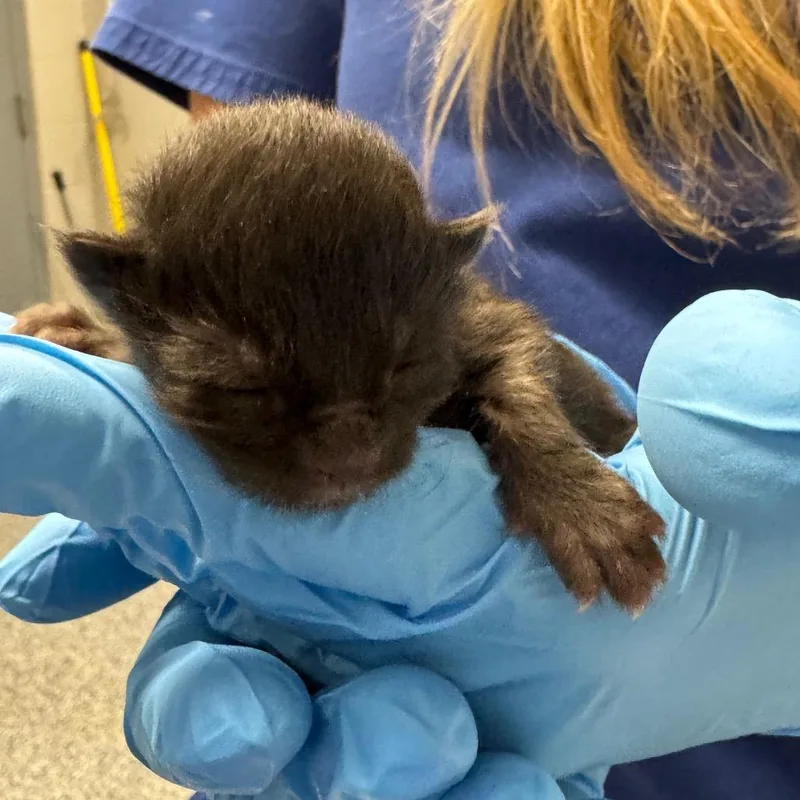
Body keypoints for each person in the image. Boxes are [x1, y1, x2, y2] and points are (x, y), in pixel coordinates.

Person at [4, 0, 800, 796]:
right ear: (130, 303)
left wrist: (553, 465)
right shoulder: (198, 297)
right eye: (250, 388)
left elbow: (500, 345)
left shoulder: (451, 313)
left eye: (397, 372)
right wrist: (121, 363)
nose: (348, 445)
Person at [2, 287, 800, 800]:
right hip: (387, 652)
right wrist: (154, 377)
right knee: (283, 727)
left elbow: (496, 346)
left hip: (717, 729)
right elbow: (217, 278)